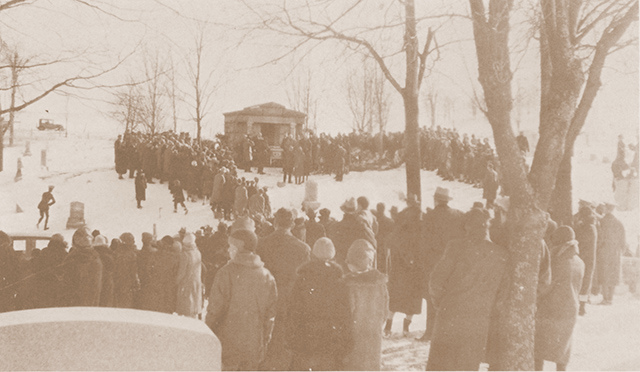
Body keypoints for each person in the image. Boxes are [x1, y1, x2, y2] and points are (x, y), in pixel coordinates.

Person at [426, 208, 507, 371]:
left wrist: (441, 304)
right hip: (477, 321)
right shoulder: (501, 254)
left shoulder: (456, 246)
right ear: (487, 227)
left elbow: (435, 281)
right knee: (466, 365)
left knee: (441, 365)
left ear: (468, 226)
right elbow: (502, 296)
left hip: (450, 315)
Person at [206, 229, 278, 371]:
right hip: (254, 343)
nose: (228, 250)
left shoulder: (225, 273)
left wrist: (208, 334)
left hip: (228, 343)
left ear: (238, 248)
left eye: (230, 247)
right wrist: (264, 340)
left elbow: (214, 310)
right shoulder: (267, 276)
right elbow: (270, 315)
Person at [287, 237, 353, 371]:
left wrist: (290, 337)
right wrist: (347, 341)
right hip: (330, 338)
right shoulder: (339, 281)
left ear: (313, 253)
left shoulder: (302, 279)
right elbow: (345, 314)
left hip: (305, 336)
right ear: (333, 254)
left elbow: (293, 310)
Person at [257, 208, 311, 370]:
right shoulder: (303, 248)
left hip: (266, 301)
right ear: (292, 224)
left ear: (274, 223)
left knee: (266, 343)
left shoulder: (261, 244)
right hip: (290, 303)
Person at [534, 226, 585, 371]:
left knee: (538, 348)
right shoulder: (579, 262)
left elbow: (546, 286)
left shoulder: (557, 261)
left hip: (552, 309)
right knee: (563, 348)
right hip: (570, 309)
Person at [417, 187, 464, 342]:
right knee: (451, 296)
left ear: (436, 200)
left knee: (432, 298)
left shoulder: (429, 216)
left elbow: (423, 242)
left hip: (433, 263)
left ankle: (430, 331)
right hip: (453, 263)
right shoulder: (458, 215)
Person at [341, 239, 389, 371]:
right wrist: (382, 319)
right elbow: (386, 305)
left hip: (356, 330)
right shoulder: (379, 281)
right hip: (374, 328)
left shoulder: (350, 284)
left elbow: (348, 309)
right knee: (372, 360)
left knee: (355, 361)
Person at [384, 194, 423, 337]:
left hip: (399, 266)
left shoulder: (400, 223)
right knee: (412, 299)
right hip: (412, 267)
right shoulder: (417, 219)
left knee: (396, 297)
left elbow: (391, 242)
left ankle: (388, 326)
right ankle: (406, 328)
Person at [328, 197, 377, 270]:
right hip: (356, 266)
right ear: (356, 210)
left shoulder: (335, 227)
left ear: (344, 210)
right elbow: (373, 244)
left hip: (340, 265)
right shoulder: (362, 227)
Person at [60, 227, 103, 307]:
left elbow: (65, 285)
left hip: (72, 305)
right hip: (92, 304)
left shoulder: (71, 259)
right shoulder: (96, 258)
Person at [596, 202, 627, 305]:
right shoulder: (619, 223)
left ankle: (605, 298)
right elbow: (623, 242)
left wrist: (599, 248)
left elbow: (599, 238)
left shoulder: (602, 221)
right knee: (613, 275)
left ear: (606, 209)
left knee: (604, 275)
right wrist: (619, 251)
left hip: (604, 252)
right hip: (615, 253)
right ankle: (610, 298)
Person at [573, 200, 598, 316]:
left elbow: (579, 240)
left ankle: (580, 306)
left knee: (580, 280)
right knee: (586, 281)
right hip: (590, 259)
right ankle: (582, 306)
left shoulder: (585, 228)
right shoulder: (593, 227)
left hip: (582, 257)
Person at [176, 232, 203, 318]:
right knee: (193, 308)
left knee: (185, 309)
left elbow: (181, 273)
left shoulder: (185, 255)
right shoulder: (197, 252)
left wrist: (175, 282)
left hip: (186, 284)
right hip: (196, 283)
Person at [113, 232, 139, 309]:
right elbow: (133, 272)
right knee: (126, 305)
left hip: (116, 282)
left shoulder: (115, 253)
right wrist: (135, 283)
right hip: (127, 283)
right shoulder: (132, 255)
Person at [92, 235, 115, 307]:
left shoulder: (93, 255)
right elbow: (113, 268)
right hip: (107, 281)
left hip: (95, 281)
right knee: (106, 302)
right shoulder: (109, 255)